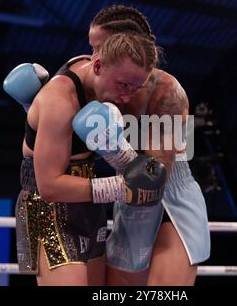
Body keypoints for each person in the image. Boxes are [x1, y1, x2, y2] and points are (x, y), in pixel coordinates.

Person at [4, 5, 211, 286]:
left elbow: (152, 178)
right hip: (64, 198)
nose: (93, 55)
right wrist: (33, 107)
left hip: (165, 194)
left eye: (100, 46)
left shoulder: (167, 94)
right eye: (92, 46)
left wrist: (116, 151)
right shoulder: (86, 77)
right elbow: (57, 128)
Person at [10, 32, 167, 286]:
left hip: (87, 197)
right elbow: (49, 187)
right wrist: (123, 188)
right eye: (123, 85)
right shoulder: (58, 101)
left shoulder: (96, 68)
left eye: (135, 88)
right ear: (97, 66)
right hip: (48, 206)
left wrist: (132, 164)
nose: (127, 97)